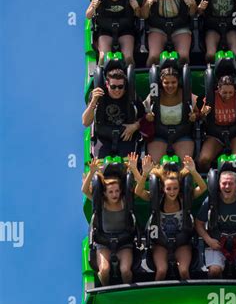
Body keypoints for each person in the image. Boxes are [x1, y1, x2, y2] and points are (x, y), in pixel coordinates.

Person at [130, 153, 207, 281]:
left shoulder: (184, 199)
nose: (172, 192)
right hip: (160, 242)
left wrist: (193, 171)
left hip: (182, 242)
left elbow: (203, 188)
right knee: (161, 271)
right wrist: (144, 173)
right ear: (163, 189)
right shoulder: (156, 199)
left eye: (175, 188)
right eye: (169, 188)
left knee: (183, 271)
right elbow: (138, 192)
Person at [195, 169, 236, 280]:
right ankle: (217, 294)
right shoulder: (211, 201)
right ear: (219, 185)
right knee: (214, 271)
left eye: (230, 183)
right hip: (217, 242)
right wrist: (208, 240)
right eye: (224, 183)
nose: (227, 187)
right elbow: (198, 223)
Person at [82, 158, 134, 286]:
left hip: (124, 241)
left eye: (116, 191)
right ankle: (106, 289)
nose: (114, 194)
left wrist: (133, 169)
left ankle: (128, 292)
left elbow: (137, 189)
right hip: (104, 242)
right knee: (104, 271)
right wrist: (91, 173)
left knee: (125, 271)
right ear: (105, 193)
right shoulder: (101, 203)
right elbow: (84, 191)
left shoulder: (124, 201)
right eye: (111, 192)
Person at [82, 68, 145, 159]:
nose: (117, 90)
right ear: (107, 84)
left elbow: (145, 117)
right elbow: (85, 122)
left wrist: (135, 126)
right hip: (103, 138)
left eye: (120, 87)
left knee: (126, 167)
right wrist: (93, 102)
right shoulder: (97, 96)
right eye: (113, 86)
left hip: (125, 139)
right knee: (102, 168)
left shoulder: (132, 97)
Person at [143, 66, 199, 163]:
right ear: (161, 82)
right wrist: (148, 117)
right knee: (155, 164)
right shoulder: (154, 96)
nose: (170, 86)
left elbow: (199, 113)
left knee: (185, 165)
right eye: (166, 83)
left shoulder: (186, 95)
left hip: (182, 135)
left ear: (178, 82)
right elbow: (142, 115)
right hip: (160, 135)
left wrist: (195, 116)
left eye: (173, 82)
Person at [86, 0, 140, 65]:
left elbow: (139, 15)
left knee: (128, 57)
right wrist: (94, 7)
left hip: (125, 30)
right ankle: (103, 78)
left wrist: (136, 8)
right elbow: (88, 15)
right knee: (103, 57)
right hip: (106, 30)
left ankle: (128, 76)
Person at [198, 75, 236, 172]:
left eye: (230, 92)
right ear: (218, 89)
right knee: (203, 160)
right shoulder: (211, 97)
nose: (228, 95)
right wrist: (203, 113)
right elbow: (202, 117)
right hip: (215, 135)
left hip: (235, 134)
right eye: (224, 92)